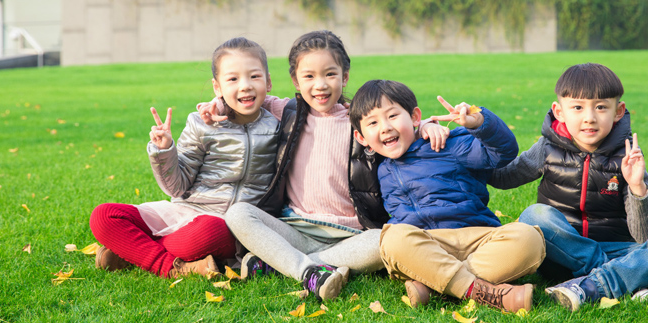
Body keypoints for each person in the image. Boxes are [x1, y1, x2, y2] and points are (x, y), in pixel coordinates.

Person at [197, 30, 449, 301]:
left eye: (330, 74)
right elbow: (245, 101)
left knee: (386, 240)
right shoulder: (285, 111)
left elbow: (393, 126)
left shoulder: (362, 120)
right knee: (238, 214)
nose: (320, 85)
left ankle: (281, 264)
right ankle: (308, 271)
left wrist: (424, 125)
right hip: (295, 227)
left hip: (350, 235)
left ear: (345, 76)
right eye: (309, 76)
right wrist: (219, 106)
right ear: (295, 80)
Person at [488, 63, 648, 311]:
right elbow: (502, 178)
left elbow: (646, 237)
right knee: (534, 215)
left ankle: (586, 287)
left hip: (616, 248)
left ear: (619, 111)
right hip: (561, 252)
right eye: (577, 107)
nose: (589, 118)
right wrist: (477, 130)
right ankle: (620, 280)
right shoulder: (547, 148)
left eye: (601, 107)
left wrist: (638, 187)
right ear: (559, 111)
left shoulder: (626, 158)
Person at [88, 37, 281, 278]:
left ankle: (133, 252)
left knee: (208, 232)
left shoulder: (279, 125)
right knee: (104, 216)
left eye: (254, 76)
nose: (245, 86)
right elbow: (177, 188)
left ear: (269, 81)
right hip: (186, 211)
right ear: (217, 87)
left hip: (231, 225)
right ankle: (173, 268)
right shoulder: (201, 123)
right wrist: (164, 150)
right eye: (232, 79)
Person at [350, 79, 546, 312]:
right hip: (426, 244)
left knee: (529, 238)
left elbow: (503, 153)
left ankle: (434, 285)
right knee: (393, 239)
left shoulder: (447, 144)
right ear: (362, 138)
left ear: (414, 117)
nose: (385, 127)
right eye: (373, 123)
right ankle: (483, 291)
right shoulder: (376, 166)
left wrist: (479, 121)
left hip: (477, 238)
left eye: (393, 116)